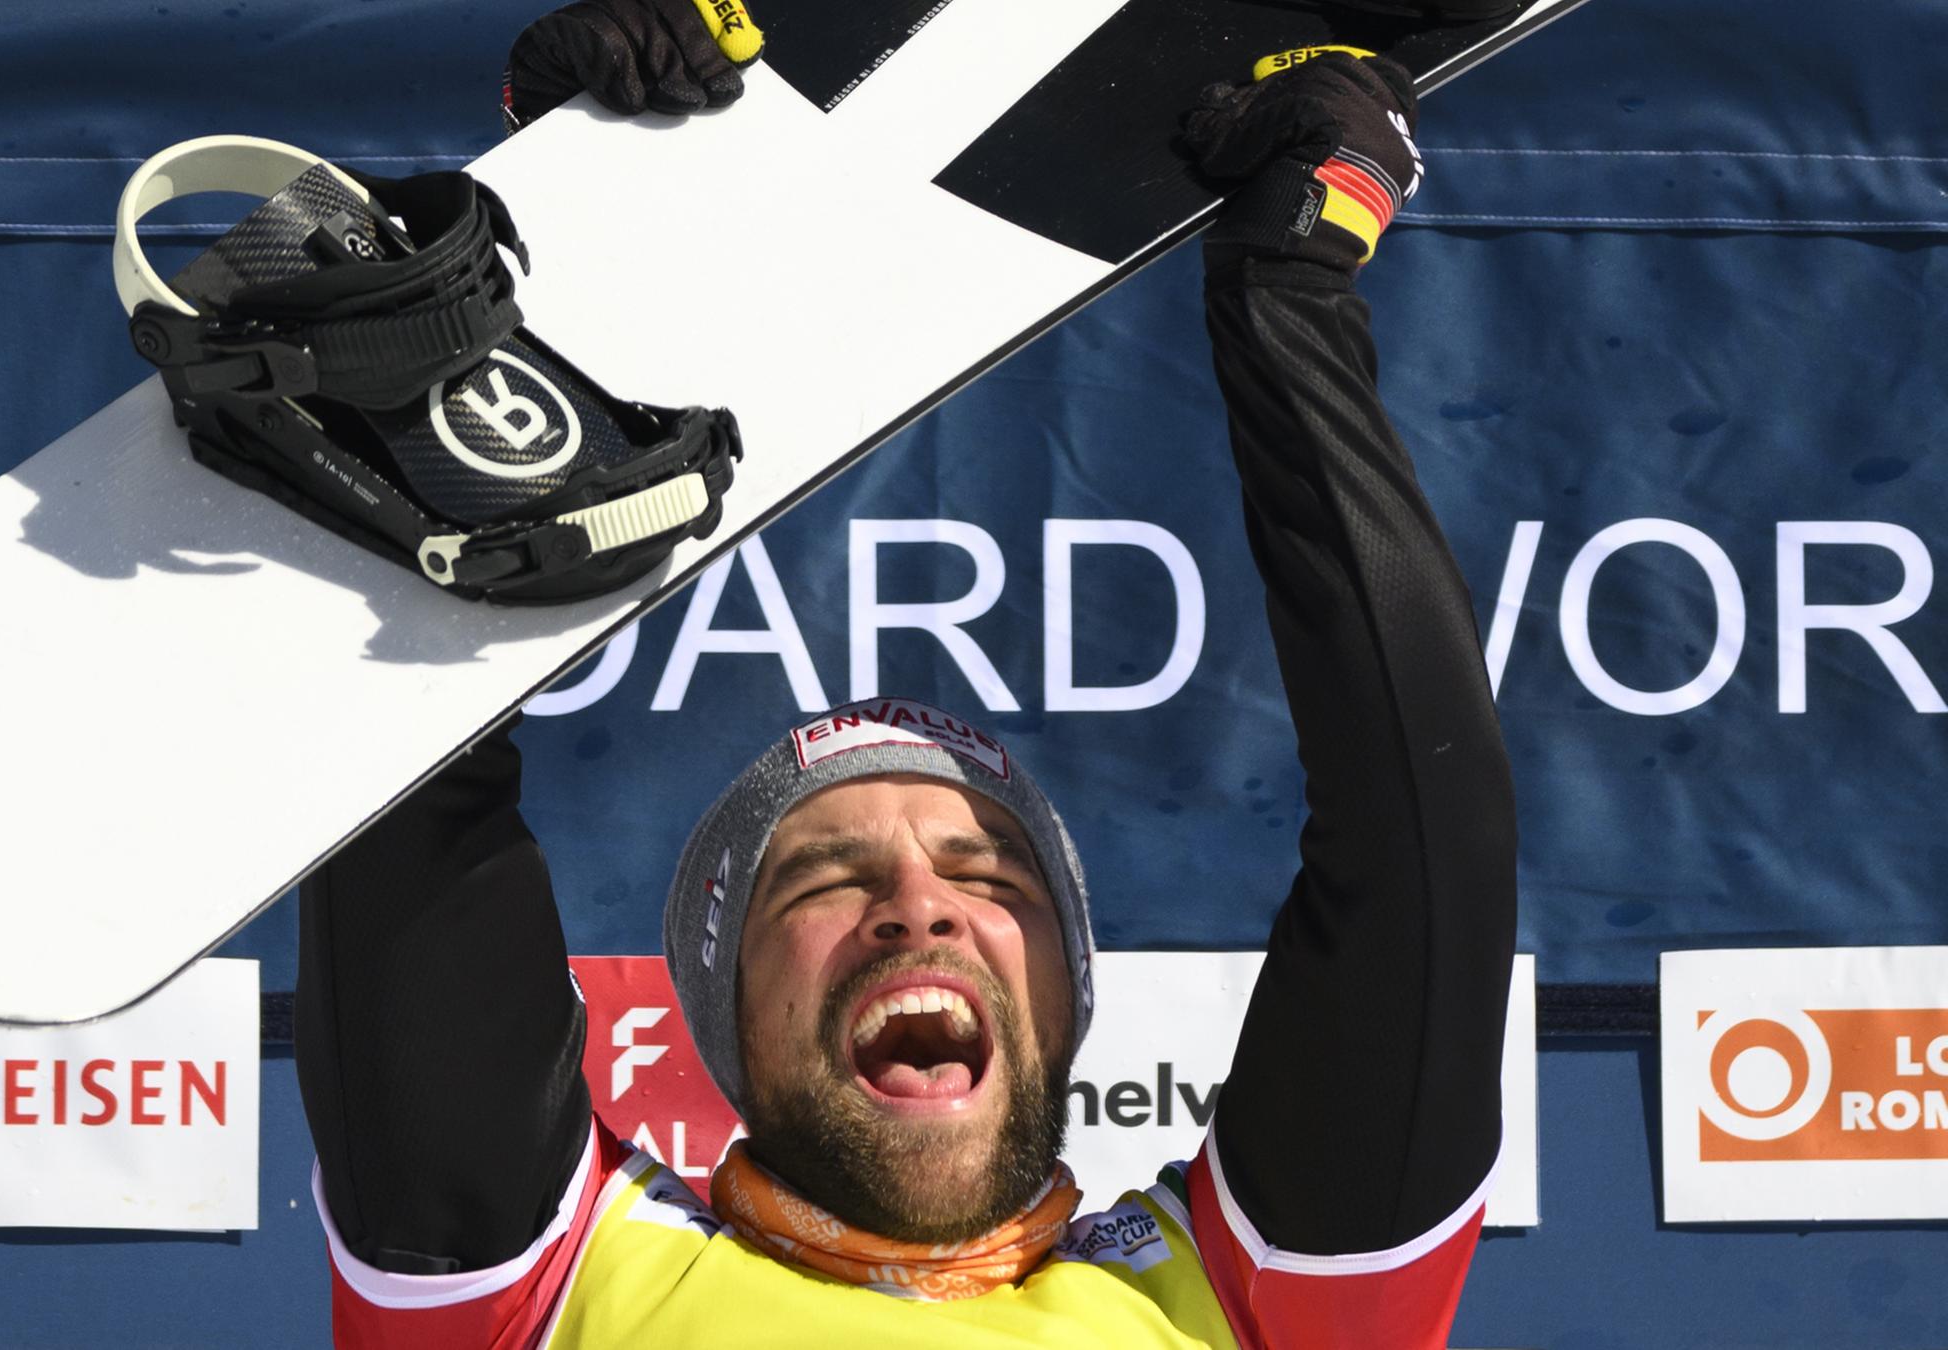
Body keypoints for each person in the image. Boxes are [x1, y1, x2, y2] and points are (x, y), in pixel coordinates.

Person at [297, 7, 1518, 1346]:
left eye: (992, 878)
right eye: (822, 879)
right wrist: (581, 237)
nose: (919, 908)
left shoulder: (1236, 1299)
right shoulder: (555, 1285)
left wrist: (1288, 295)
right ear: (728, 1019)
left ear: (1065, 997)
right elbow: (403, 800)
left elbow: (1424, 840)